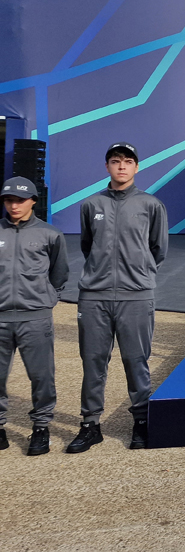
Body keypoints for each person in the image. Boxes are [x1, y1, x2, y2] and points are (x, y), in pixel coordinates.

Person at [69, 142, 168, 453]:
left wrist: (137, 274)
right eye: (115, 161)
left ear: (136, 167)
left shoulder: (151, 205)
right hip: (94, 297)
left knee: (136, 361)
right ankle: (90, 425)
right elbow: (88, 246)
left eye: (128, 161)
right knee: (93, 362)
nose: (122, 166)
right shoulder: (90, 205)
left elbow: (158, 249)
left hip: (136, 295)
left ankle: (141, 421)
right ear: (107, 167)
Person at [0, 177, 67, 456]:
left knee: (41, 376)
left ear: (33, 202)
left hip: (35, 317)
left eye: (20, 200)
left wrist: (47, 299)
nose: (14, 205)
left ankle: (41, 427)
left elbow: (59, 273)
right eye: (9, 200)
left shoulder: (50, 234)